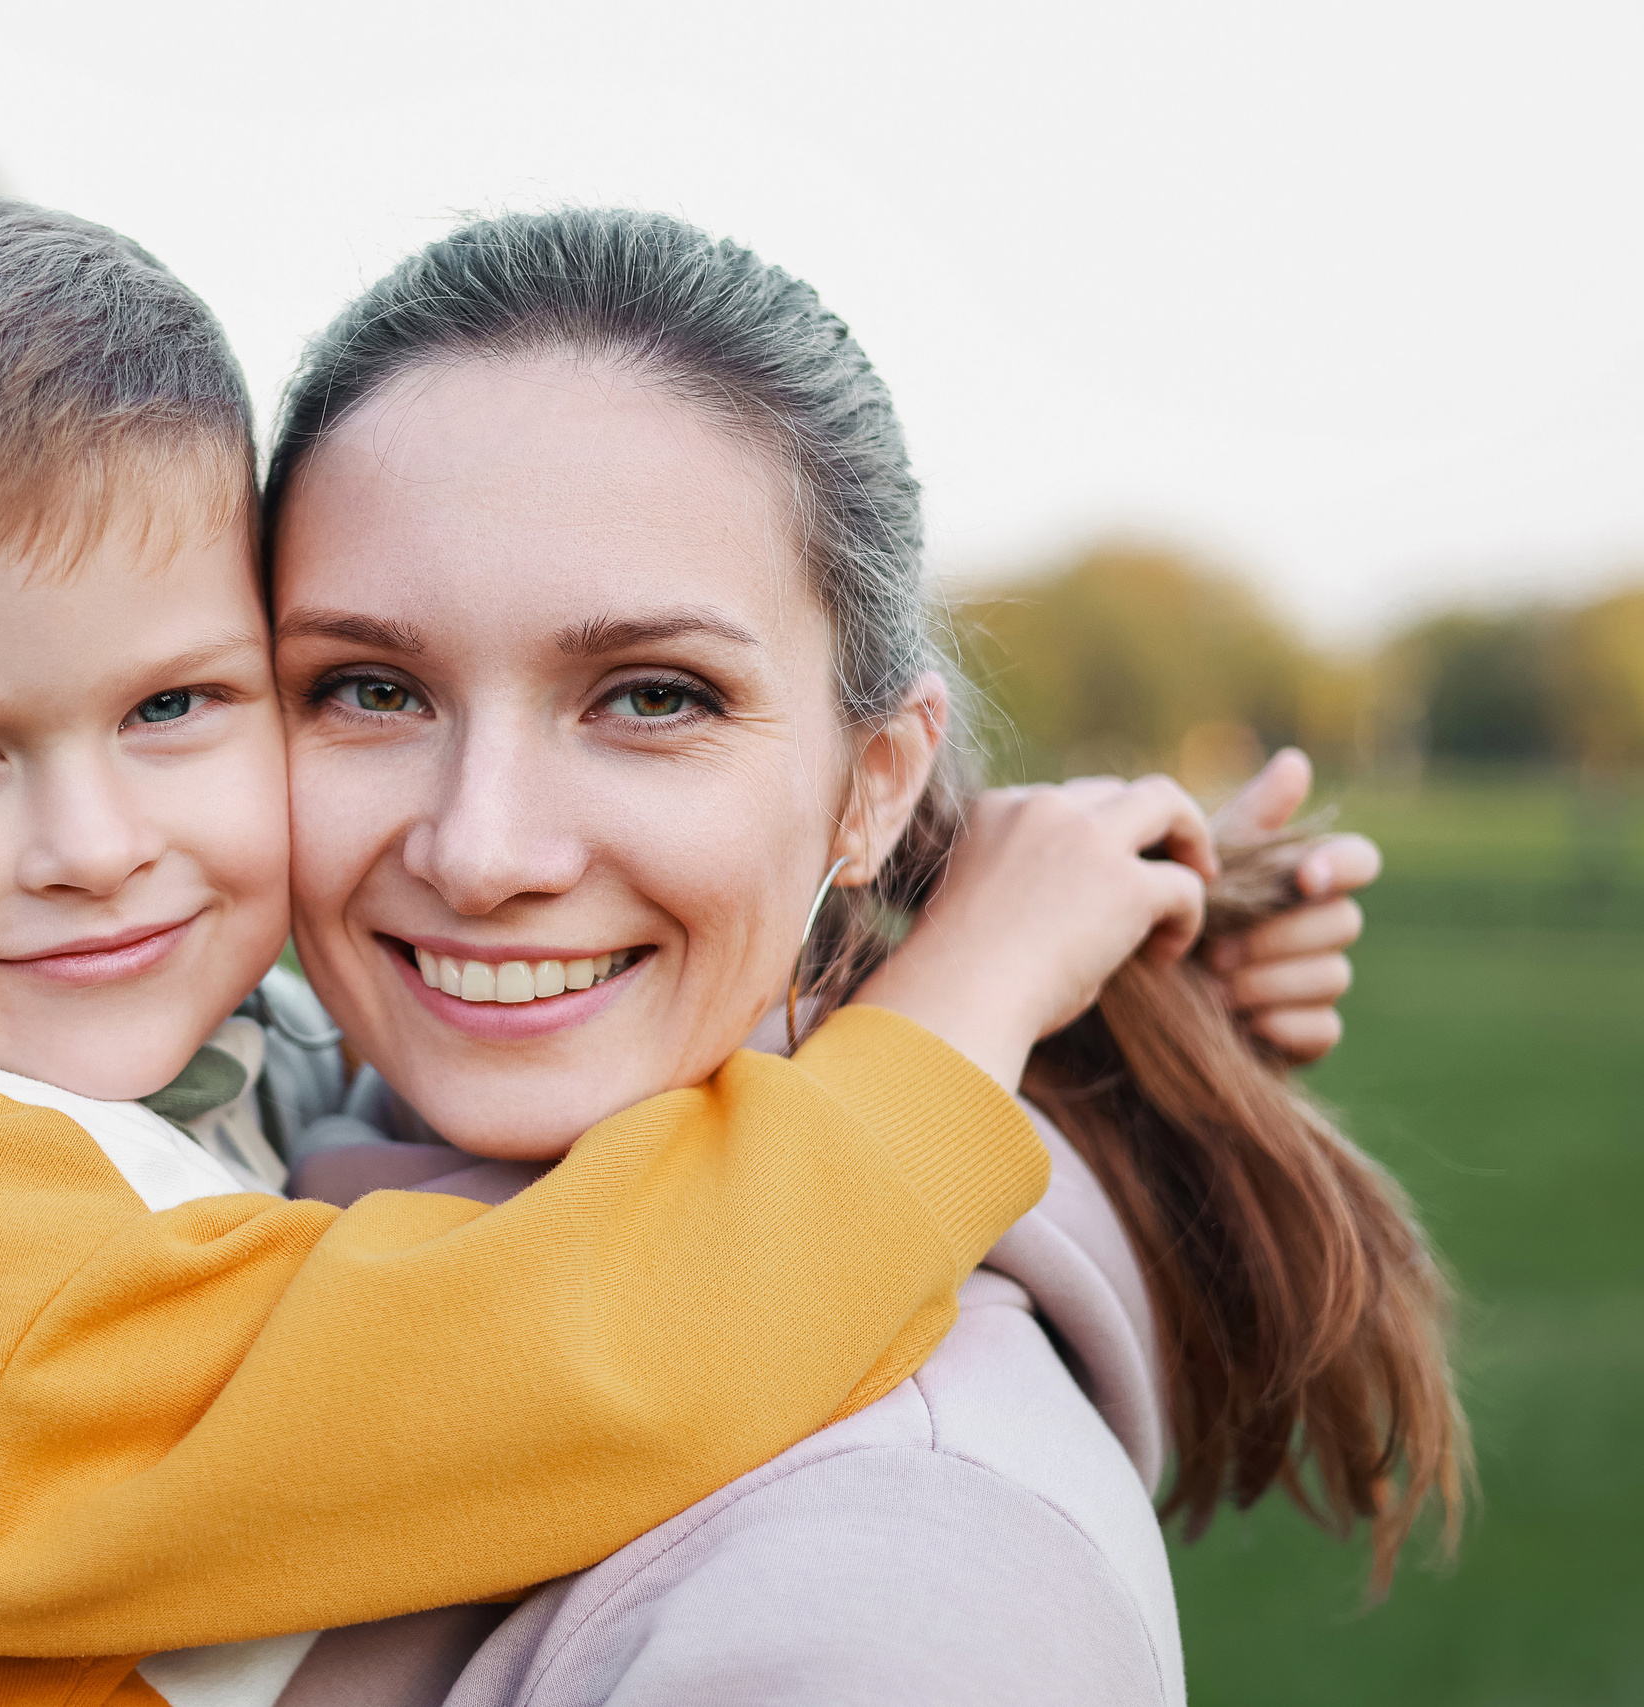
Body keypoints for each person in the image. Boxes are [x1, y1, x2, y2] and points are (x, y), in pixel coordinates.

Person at [0, 195, 1252, 1707]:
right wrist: (963, 995)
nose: (93, 849)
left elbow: (310, 1104)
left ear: (869, 780)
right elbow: (557, 1356)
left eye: (175, 706)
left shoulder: (6, 1086)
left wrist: (1119, 978)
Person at [253, 208, 1461, 1706]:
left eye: (653, 697)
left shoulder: (888, 1579)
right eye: (369, 688)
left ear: (874, 784)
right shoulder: (236, 1129)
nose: (482, 850)